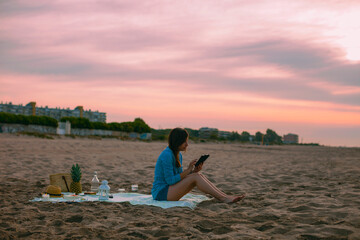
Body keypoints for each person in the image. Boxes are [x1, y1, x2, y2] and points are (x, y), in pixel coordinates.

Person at [151, 128, 245, 203]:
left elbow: (179, 178)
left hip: (169, 190)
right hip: (161, 193)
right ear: (177, 141)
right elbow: (170, 181)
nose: (187, 144)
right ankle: (223, 198)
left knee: (198, 175)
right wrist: (188, 171)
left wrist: (193, 171)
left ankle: (225, 197)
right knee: (195, 177)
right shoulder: (167, 155)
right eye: (184, 142)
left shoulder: (178, 154)